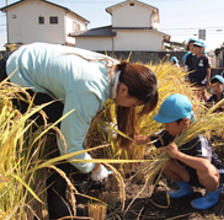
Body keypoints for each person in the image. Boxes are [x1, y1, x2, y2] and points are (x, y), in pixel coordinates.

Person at [3, 42, 159, 218]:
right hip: (18, 72)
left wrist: (116, 133)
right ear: (124, 90)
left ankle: (63, 191)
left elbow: (91, 115)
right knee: (58, 136)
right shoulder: (90, 89)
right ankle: (58, 205)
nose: (132, 108)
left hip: (31, 55)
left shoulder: (119, 71)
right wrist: (94, 168)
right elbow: (69, 147)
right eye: (134, 104)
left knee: (69, 127)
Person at [135, 94, 224, 210]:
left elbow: (205, 165)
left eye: (168, 124)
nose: (165, 127)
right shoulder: (170, 133)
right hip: (192, 174)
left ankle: (212, 195)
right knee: (164, 160)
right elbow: (146, 139)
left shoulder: (198, 137)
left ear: (184, 122)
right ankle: (186, 189)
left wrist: (178, 155)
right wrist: (123, 136)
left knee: (205, 170)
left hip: (212, 177)